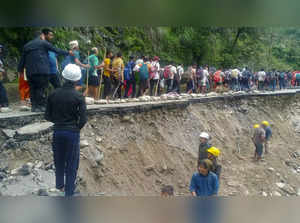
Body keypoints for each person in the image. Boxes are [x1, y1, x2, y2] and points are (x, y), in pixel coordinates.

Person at [45, 64, 87, 197]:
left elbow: (47, 115)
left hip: (58, 131)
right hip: (72, 133)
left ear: (63, 77)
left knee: (59, 159)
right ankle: (69, 193)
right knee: (72, 162)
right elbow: (83, 119)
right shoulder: (79, 96)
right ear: (76, 80)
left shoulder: (53, 94)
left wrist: (58, 123)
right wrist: (75, 128)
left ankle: (59, 185)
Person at [18, 28, 72, 112]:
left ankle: (34, 107)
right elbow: (56, 50)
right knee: (41, 88)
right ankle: (41, 106)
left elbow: (22, 60)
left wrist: (20, 71)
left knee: (32, 89)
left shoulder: (27, 45)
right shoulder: (43, 43)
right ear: (42, 35)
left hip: (30, 72)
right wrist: (68, 52)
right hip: (42, 70)